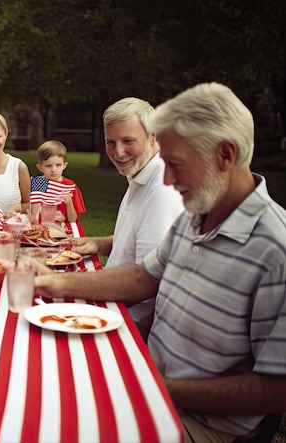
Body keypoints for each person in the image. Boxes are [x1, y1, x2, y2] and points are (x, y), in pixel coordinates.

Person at [33, 83, 286, 442]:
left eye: (177, 164)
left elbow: (275, 390)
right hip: (149, 379)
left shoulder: (276, 251)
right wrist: (54, 283)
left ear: (226, 155)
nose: (166, 178)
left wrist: (153, 386)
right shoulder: (197, 214)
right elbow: (142, 277)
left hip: (203, 423)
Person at [72, 98, 184, 337]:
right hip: (113, 304)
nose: (118, 152)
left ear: (153, 137)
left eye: (128, 141)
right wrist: (100, 243)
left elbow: (147, 282)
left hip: (123, 320)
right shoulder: (140, 172)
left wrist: (130, 338)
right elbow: (140, 238)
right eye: (110, 142)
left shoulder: (163, 190)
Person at [32, 140, 87, 224]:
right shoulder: (39, 182)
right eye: (48, 166)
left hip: (63, 228)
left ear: (64, 165)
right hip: (41, 226)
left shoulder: (70, 186)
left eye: (58, 165)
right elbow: (34, 217)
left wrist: (69, 204)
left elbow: (73, 220)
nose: (54, 170)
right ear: (40, 167)